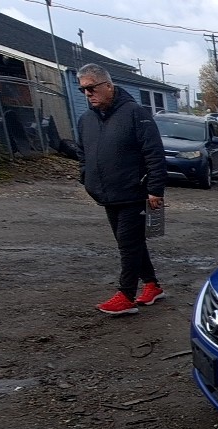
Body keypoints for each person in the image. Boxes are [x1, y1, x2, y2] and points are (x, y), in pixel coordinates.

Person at [74, 63, 167, 316]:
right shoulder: (86, 120)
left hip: (133, 193)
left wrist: (155, 189)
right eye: (83, 89)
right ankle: (152, 285)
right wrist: (87, 178)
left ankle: (126, 295)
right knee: (132, 243)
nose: (87, 94)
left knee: (128, 244)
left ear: (107, 85)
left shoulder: (135, 114)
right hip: (106, 195)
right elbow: (82, 153)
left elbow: (154, 154)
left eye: (91, 88)